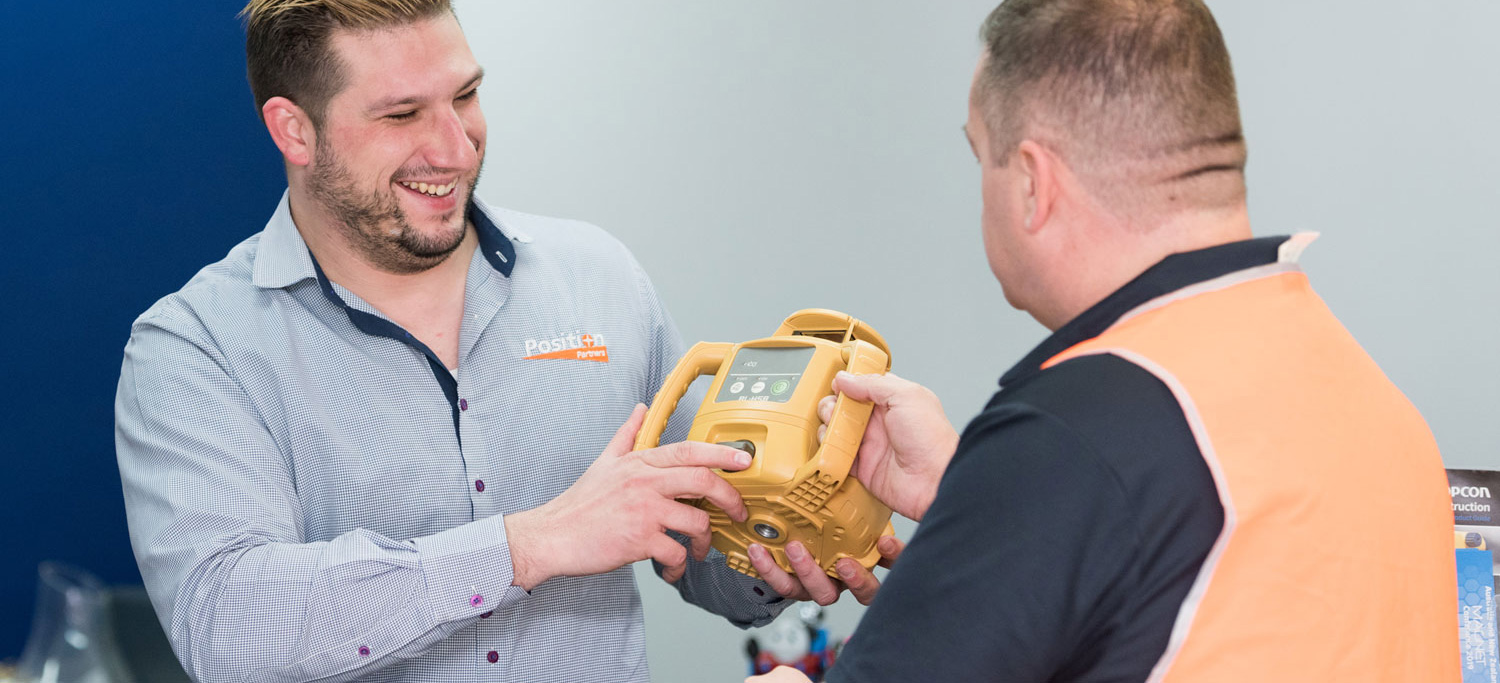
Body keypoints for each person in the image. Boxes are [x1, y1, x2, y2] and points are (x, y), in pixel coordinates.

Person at [113, 1, 878, 680]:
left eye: (466, 96)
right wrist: (529, 545)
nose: (455, 147)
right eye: (402, 114)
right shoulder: (197, 348)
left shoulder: (599, 276)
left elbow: (702, 545)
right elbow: (229, 624)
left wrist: (786, 547)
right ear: (293, 130)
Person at [753, 0, 1459, 681]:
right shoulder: (1374, 405)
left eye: (982, 157)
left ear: (1033, 183)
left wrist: (1013, 487)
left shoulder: (1072, 435)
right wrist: (972, 497)